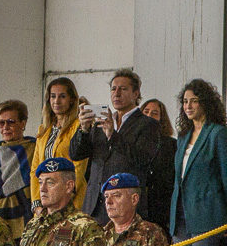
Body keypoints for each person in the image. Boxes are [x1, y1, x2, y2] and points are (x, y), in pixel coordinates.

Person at [69, 69, 162, 226]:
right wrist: (83, 129)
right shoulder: (101, 121)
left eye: (123, 89)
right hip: (94, 206)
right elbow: (76, 154)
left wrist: (113, 135)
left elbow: (142, 159)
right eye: (113, 89)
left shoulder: (148, 124)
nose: (117, 94)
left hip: (127, 208)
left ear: (136, 93)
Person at [169, 79, 227, 246]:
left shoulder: (218, 134)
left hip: (206, 216)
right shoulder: (183, 137)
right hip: (180, 215)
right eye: (185, 101)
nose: (188, 106)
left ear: (205, 103)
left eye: (194, 101)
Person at [30, 77, 88, 212]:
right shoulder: (43, 129)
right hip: (44, 204)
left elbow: (79, 168)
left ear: (72, 99)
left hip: (69, 200)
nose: (56, 101)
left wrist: (63, 198)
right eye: (53, 96)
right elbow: (35, 169)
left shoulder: (78, 126)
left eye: (62, 96)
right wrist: (36, 203)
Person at [0, 100, 37, 243]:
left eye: (11, 122)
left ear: (23, 123)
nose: (5, 127)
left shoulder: (34, 149)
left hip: (27, 219)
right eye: (1, 123)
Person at [140, 99, 176, 235]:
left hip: (161, 207)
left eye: (154, 113)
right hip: (137, 205)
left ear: (162, 118)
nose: (149, 115)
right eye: (146, 111)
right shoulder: (130, 141)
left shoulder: (171, 145)